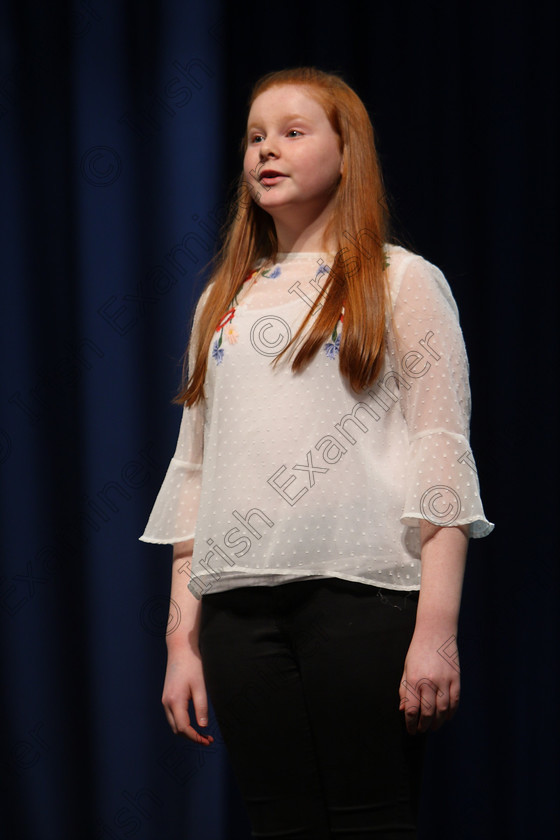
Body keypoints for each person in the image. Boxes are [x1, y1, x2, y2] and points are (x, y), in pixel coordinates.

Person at [140, 67, 494, 839]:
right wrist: (180, 639)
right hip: (238, 611)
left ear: (346, 150)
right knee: (279, 822)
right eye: (256, 136)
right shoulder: (223, 301)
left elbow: (442, 458)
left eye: (293, 132)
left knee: (371, 819)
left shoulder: (403, 283)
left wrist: (436, 630)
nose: (267, 149)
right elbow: (196, 473)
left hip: (361, 599)